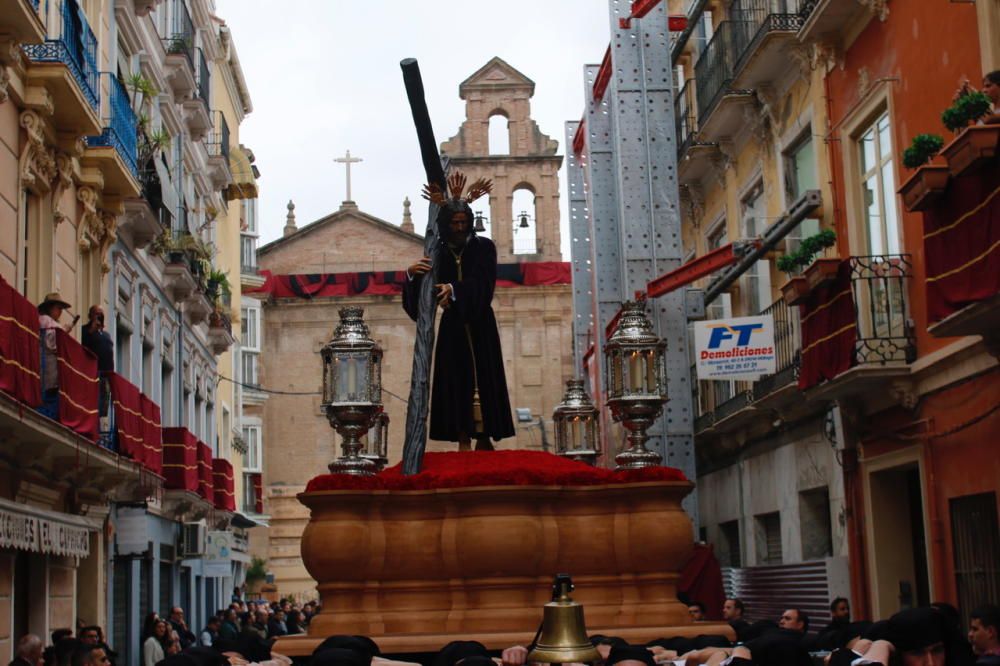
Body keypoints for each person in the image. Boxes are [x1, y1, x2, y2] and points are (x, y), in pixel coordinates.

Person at [403, 173, 515, 451]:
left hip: (480, 324)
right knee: (454, 380)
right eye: (455, 223)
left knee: (484, 377)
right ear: (445, 225)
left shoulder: (483, 247)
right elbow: (423, 300)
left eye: (464, 222)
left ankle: (484, 437)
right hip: (453, 326)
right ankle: (462, 436)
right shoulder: (437, 253)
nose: (460, 227)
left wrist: (453, 290)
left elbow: (483, 284)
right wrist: (411, 275)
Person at [37, 292, 77, 417]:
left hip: (54, 373)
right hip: (48, 370)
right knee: (47, 404)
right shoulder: (44, 320)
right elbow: (50, 342)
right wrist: (63, 332)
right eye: (58, 308)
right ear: (50, 307)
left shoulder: (53, 322)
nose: (60, 312)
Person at [80, 306, 113, 419]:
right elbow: (82, 345)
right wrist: (91, 330)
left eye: (101, 314)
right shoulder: (84, 330)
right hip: (91, 375)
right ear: (90, 316)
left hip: (105, 376)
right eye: (96, 314)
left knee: (102, 407)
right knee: (92, 404)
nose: (99, 316)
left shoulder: (106, 335)